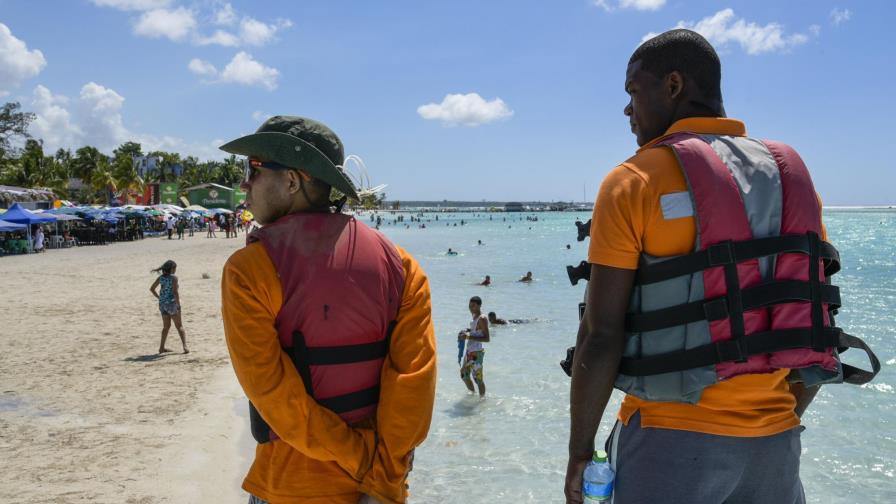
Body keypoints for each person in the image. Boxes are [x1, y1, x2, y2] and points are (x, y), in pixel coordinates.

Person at [564, 29, 878, 504]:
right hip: (776, 448)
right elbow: (813, 321)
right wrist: (772, 419)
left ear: (672, 85)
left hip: (669, 442)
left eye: (633, 91)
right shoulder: (792, 183)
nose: (628, 109)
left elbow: (601, 335)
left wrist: (579, 453)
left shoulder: (632, 181)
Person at [219, 116, 437, 504]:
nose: (243, 184)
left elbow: (273, 393)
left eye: (252, 169)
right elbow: (414, 384)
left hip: (291, 486)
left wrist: (360, 461)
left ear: (292, 181)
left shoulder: (249, 270)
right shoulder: (401, 265)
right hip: (380, 488)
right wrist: (382, 473)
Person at [149, 260, 188, 354]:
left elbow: (152, 289)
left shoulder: (161, 278)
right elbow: (175, 292)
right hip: (172, 304)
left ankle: (161, 348)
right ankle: (185, 347)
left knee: (166, 327)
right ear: (171, 269)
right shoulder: (174, 278)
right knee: (179, 326)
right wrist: (178, 304)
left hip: (162, 305)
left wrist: (159, 298)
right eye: (175, 268)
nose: (175, 270)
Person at [460, 296, 489, 397]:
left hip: (476, 352)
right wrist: (467, 331)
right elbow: (477, 332)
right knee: (464, 375)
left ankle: (482, 400)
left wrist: (468, 336)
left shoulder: (482, 318)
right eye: (470, 305)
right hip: (469, 351)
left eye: (473, 306)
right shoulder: (475, 317)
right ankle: (472, 395)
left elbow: (487, 338)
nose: (471, 308)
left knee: (478, 379)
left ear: (479, 306)